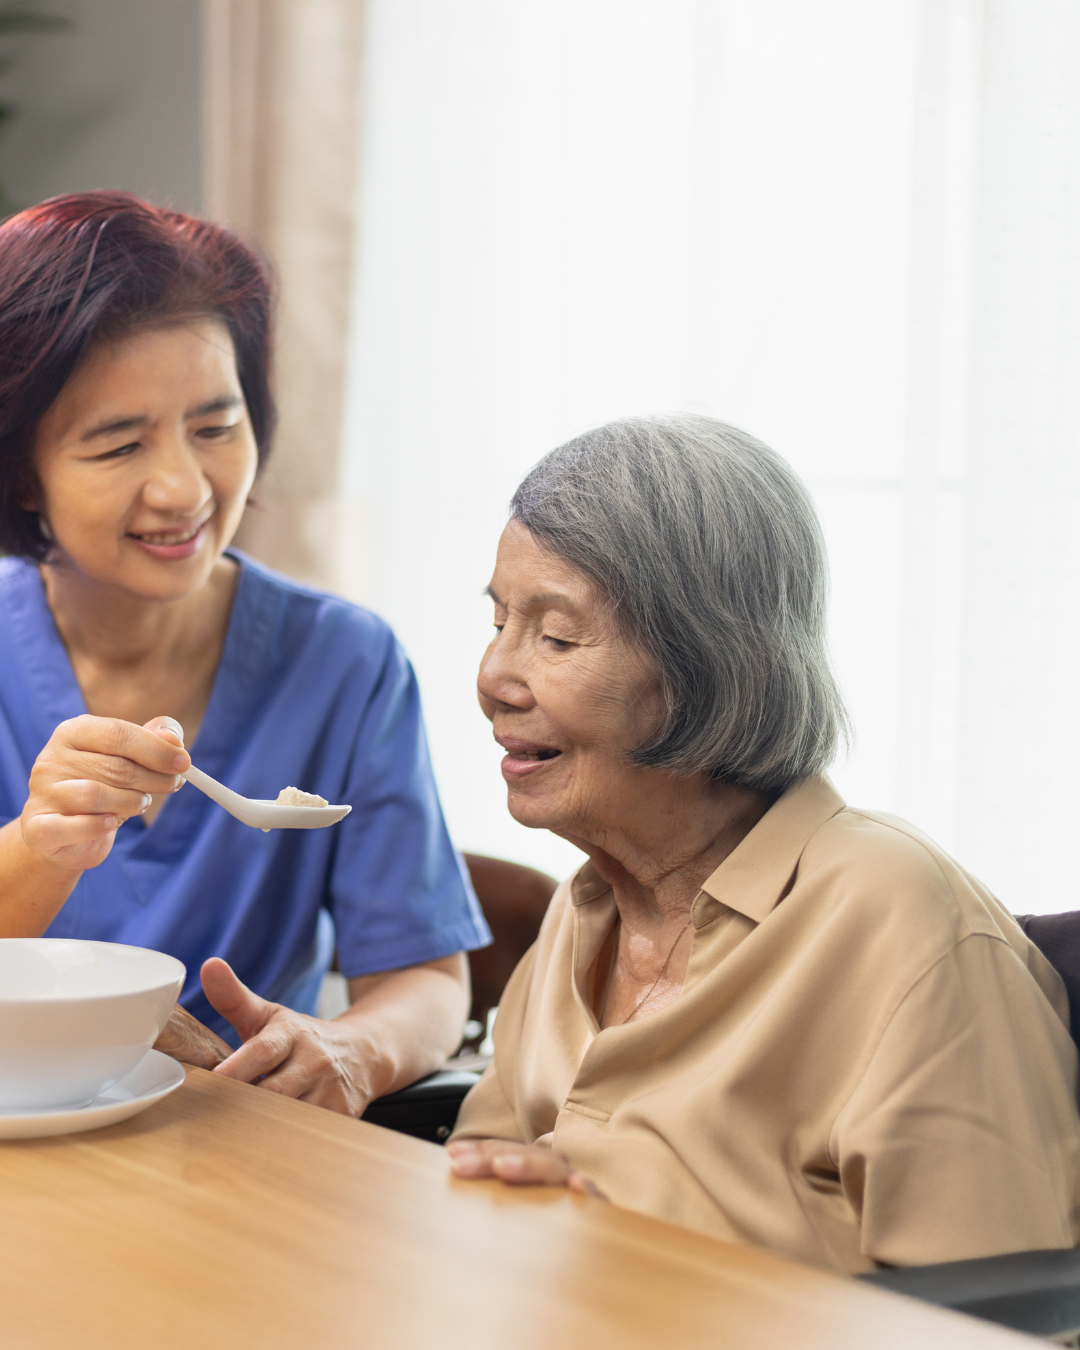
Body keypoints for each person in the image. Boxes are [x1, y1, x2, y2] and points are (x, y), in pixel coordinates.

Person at [447, 414, 1080, 1273]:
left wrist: (638, 1262)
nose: (492, 679)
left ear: (707, 666)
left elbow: (1007, 1319)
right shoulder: (586, 907)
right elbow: (475, 1182)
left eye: (556, 636)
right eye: (498, 623)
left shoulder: (898, 921)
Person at [0, 191, 489, 1114]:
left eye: (216, 428)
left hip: (253, 1153)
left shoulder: (344, 663)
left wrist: (349, 1050)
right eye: (117, 444)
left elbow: (426, 978)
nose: (185, 487)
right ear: (22, 469)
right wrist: (40, 847)